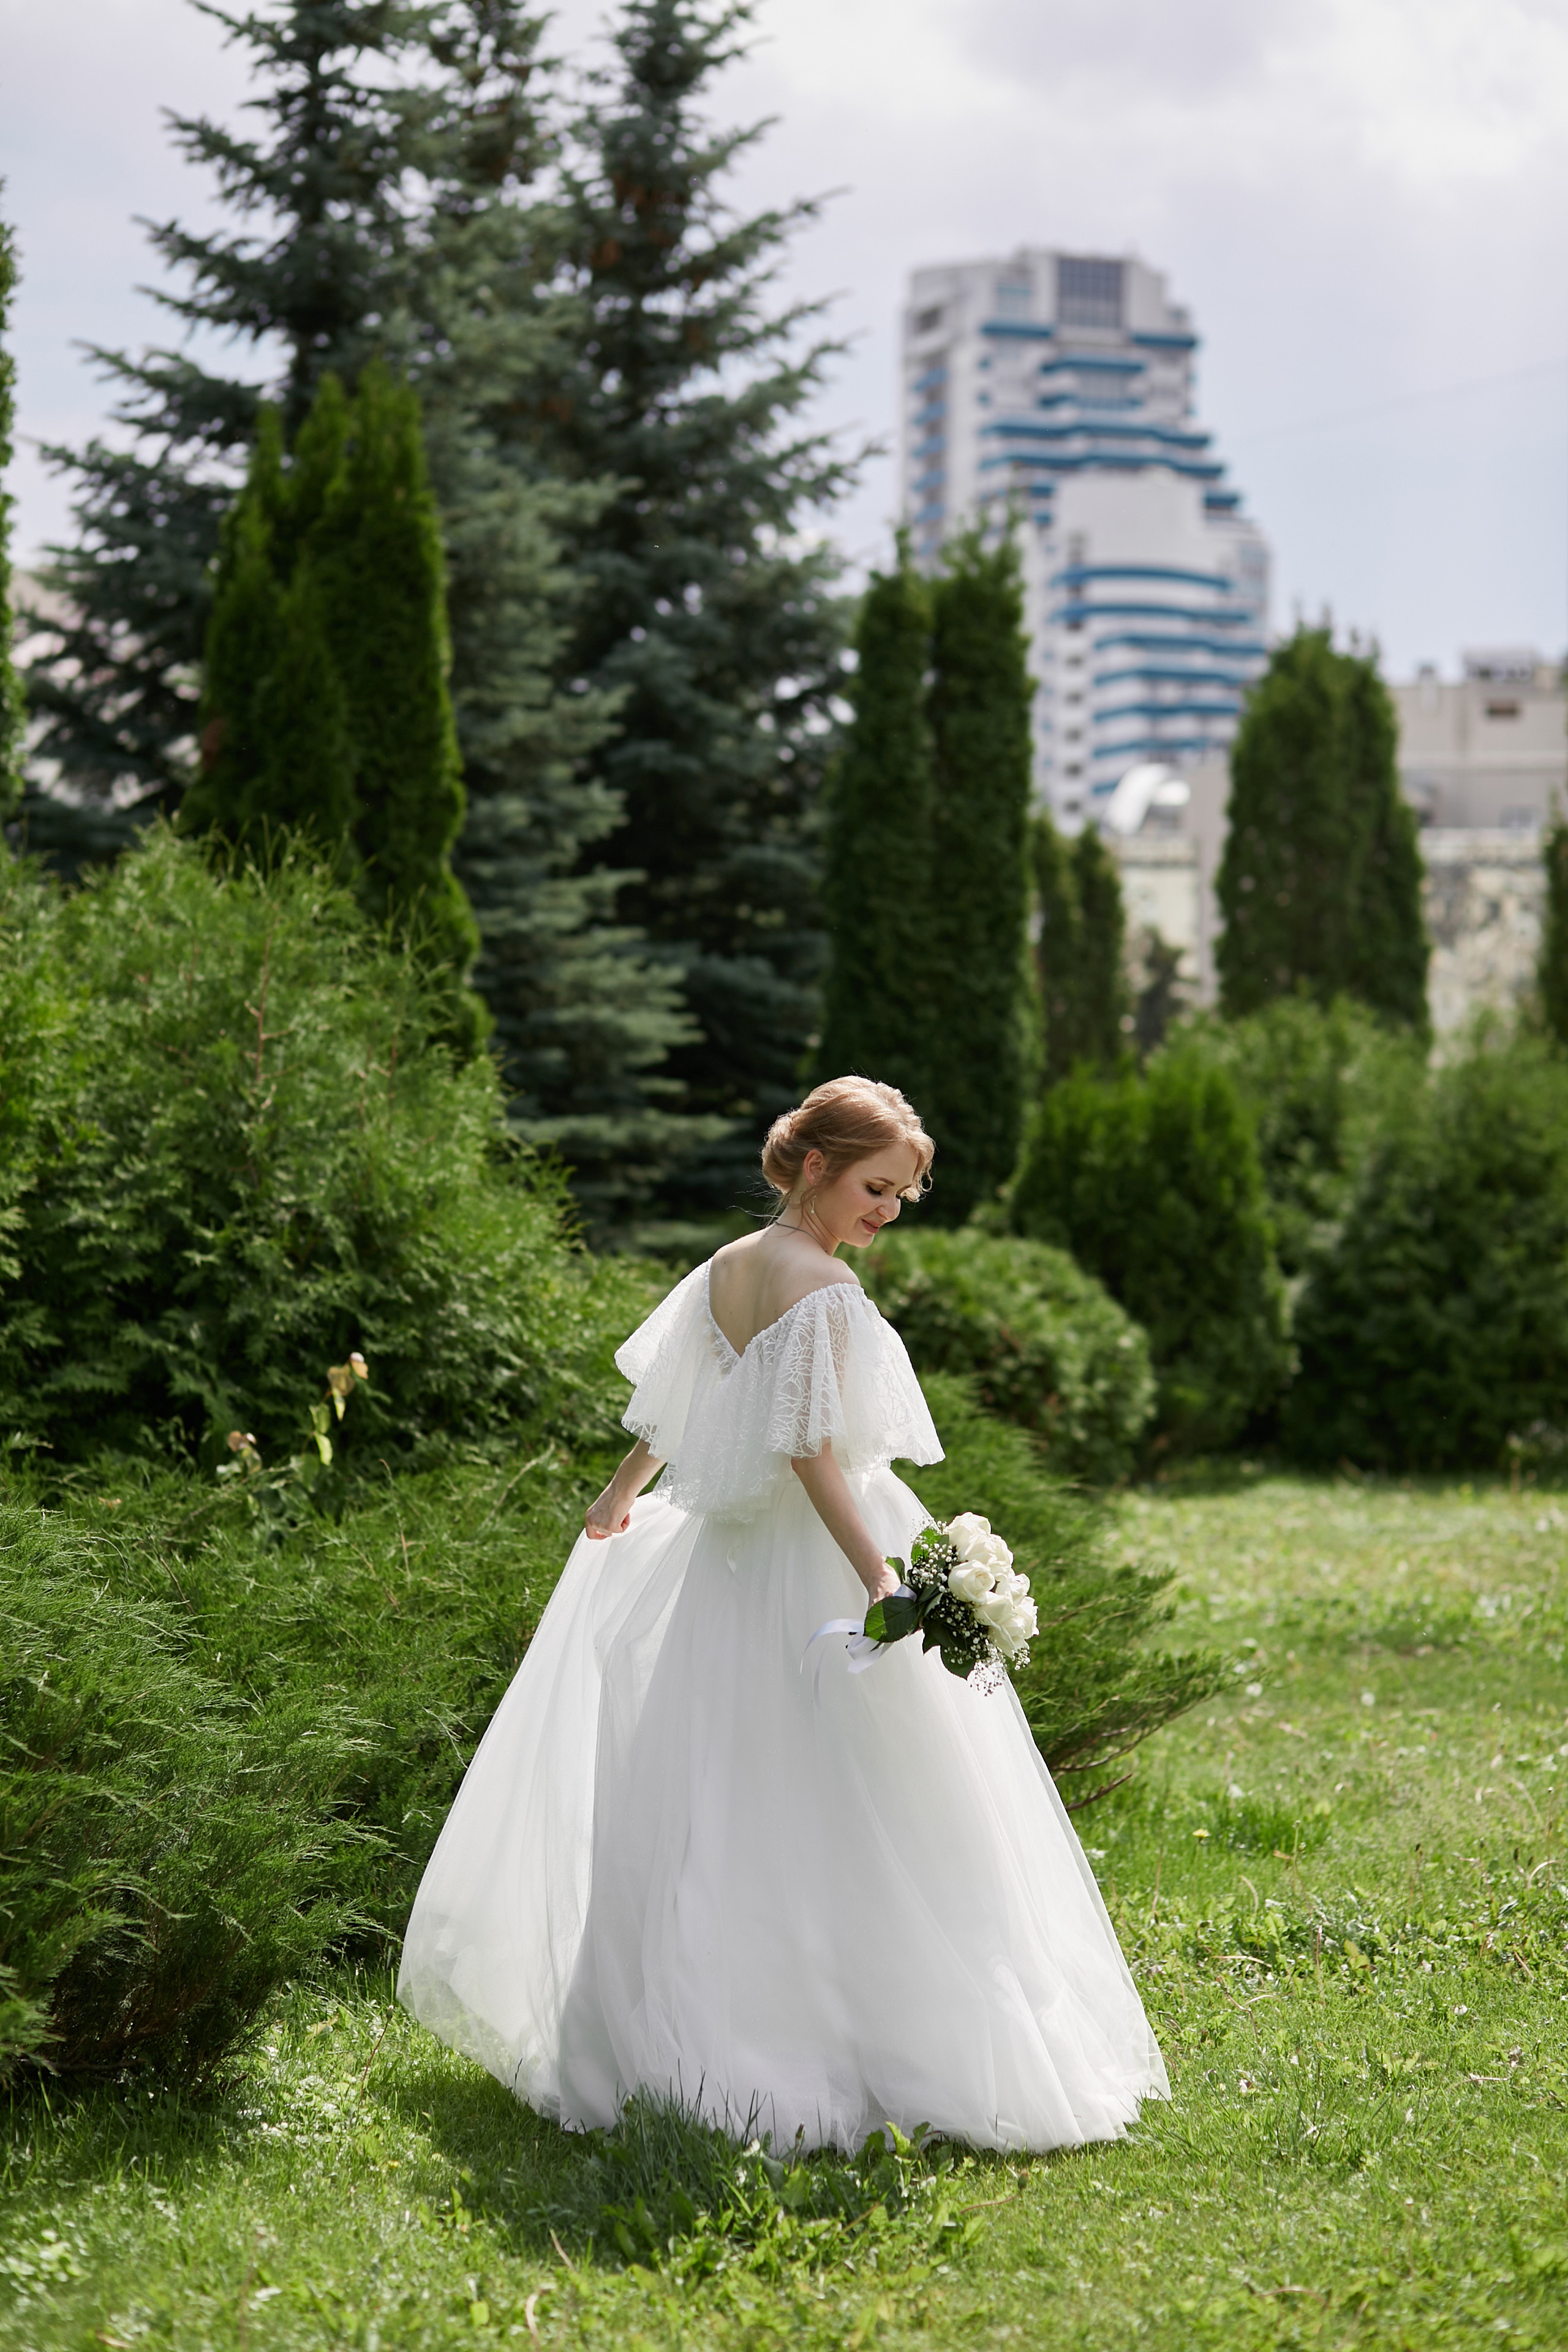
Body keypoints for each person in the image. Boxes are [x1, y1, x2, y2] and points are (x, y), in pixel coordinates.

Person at [398, 1076, 1167, 2151]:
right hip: (814, 1550)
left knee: (724, 1781)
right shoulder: (820, 1293)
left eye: (905, 1193)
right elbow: (807, 1450)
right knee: (856, 1790)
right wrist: (882, 1579)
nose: (888, 1210)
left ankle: (685, 2025)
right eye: (875, 1185)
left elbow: (692, 1404)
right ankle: (840, 2035)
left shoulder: (726, 1269)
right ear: (814, 1166)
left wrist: (624, 1489)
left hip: (727, 1559)